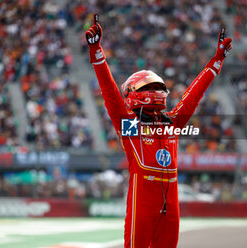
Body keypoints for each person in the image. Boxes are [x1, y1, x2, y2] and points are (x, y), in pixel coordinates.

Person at [85, 14, 232, 248]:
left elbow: (193, 96)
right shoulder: (130, 126)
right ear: (134, 93)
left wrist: (217, 61)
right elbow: (110, 94)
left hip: (171, 209)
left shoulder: (170, 123)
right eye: (149, 87)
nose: (156, 90)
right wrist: (97, 53)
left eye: (158, 87)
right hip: (141, 207)